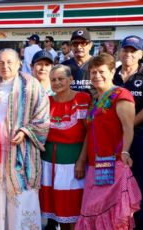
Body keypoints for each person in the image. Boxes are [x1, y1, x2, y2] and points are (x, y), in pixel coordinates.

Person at [0, 48, 50, 229]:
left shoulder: (31, 85)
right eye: (0, 62)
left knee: (20, 196)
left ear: (19, 64)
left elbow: (43, 118)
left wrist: (25, 131)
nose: (5, 66)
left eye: (9, 62)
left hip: (20, 152)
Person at [75, 53, 141, 229]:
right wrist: (81, 160)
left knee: (112, 214)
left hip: (114, 163)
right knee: (92, 211)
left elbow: (128, 127)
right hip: (94, 165)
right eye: (93, 72)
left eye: (101, 71)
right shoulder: (94, 100)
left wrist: (125, 151)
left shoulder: (121, 94)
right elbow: (90, 132)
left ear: (112, 72)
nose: (97, 76)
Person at [39, 65, 91, 230]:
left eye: (61, 79)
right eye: (53, 79)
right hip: (48, 164)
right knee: (59, 210)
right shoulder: (47, 102)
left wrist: (82, 161)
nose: (57, 82)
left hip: (72, 162)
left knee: (73, 207)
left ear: (70, 80)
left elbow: (90, 132)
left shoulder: (82, 99)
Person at [113, 35, 143, 228]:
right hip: (112, 138)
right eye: (125, 50)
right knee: (115, 183)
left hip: (138, 136)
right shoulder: (111, 74)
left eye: (133, 51)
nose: (128, 55)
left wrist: (128, 126)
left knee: (138, 182)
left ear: (140, 54)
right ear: (119, 51)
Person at [62, 30, 93, 96]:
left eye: (83, 43)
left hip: (93, 105)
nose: (79, 47)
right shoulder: (63, 66)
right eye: (75, 44)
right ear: (71, 46)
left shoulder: (98, 64)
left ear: (90, 45)